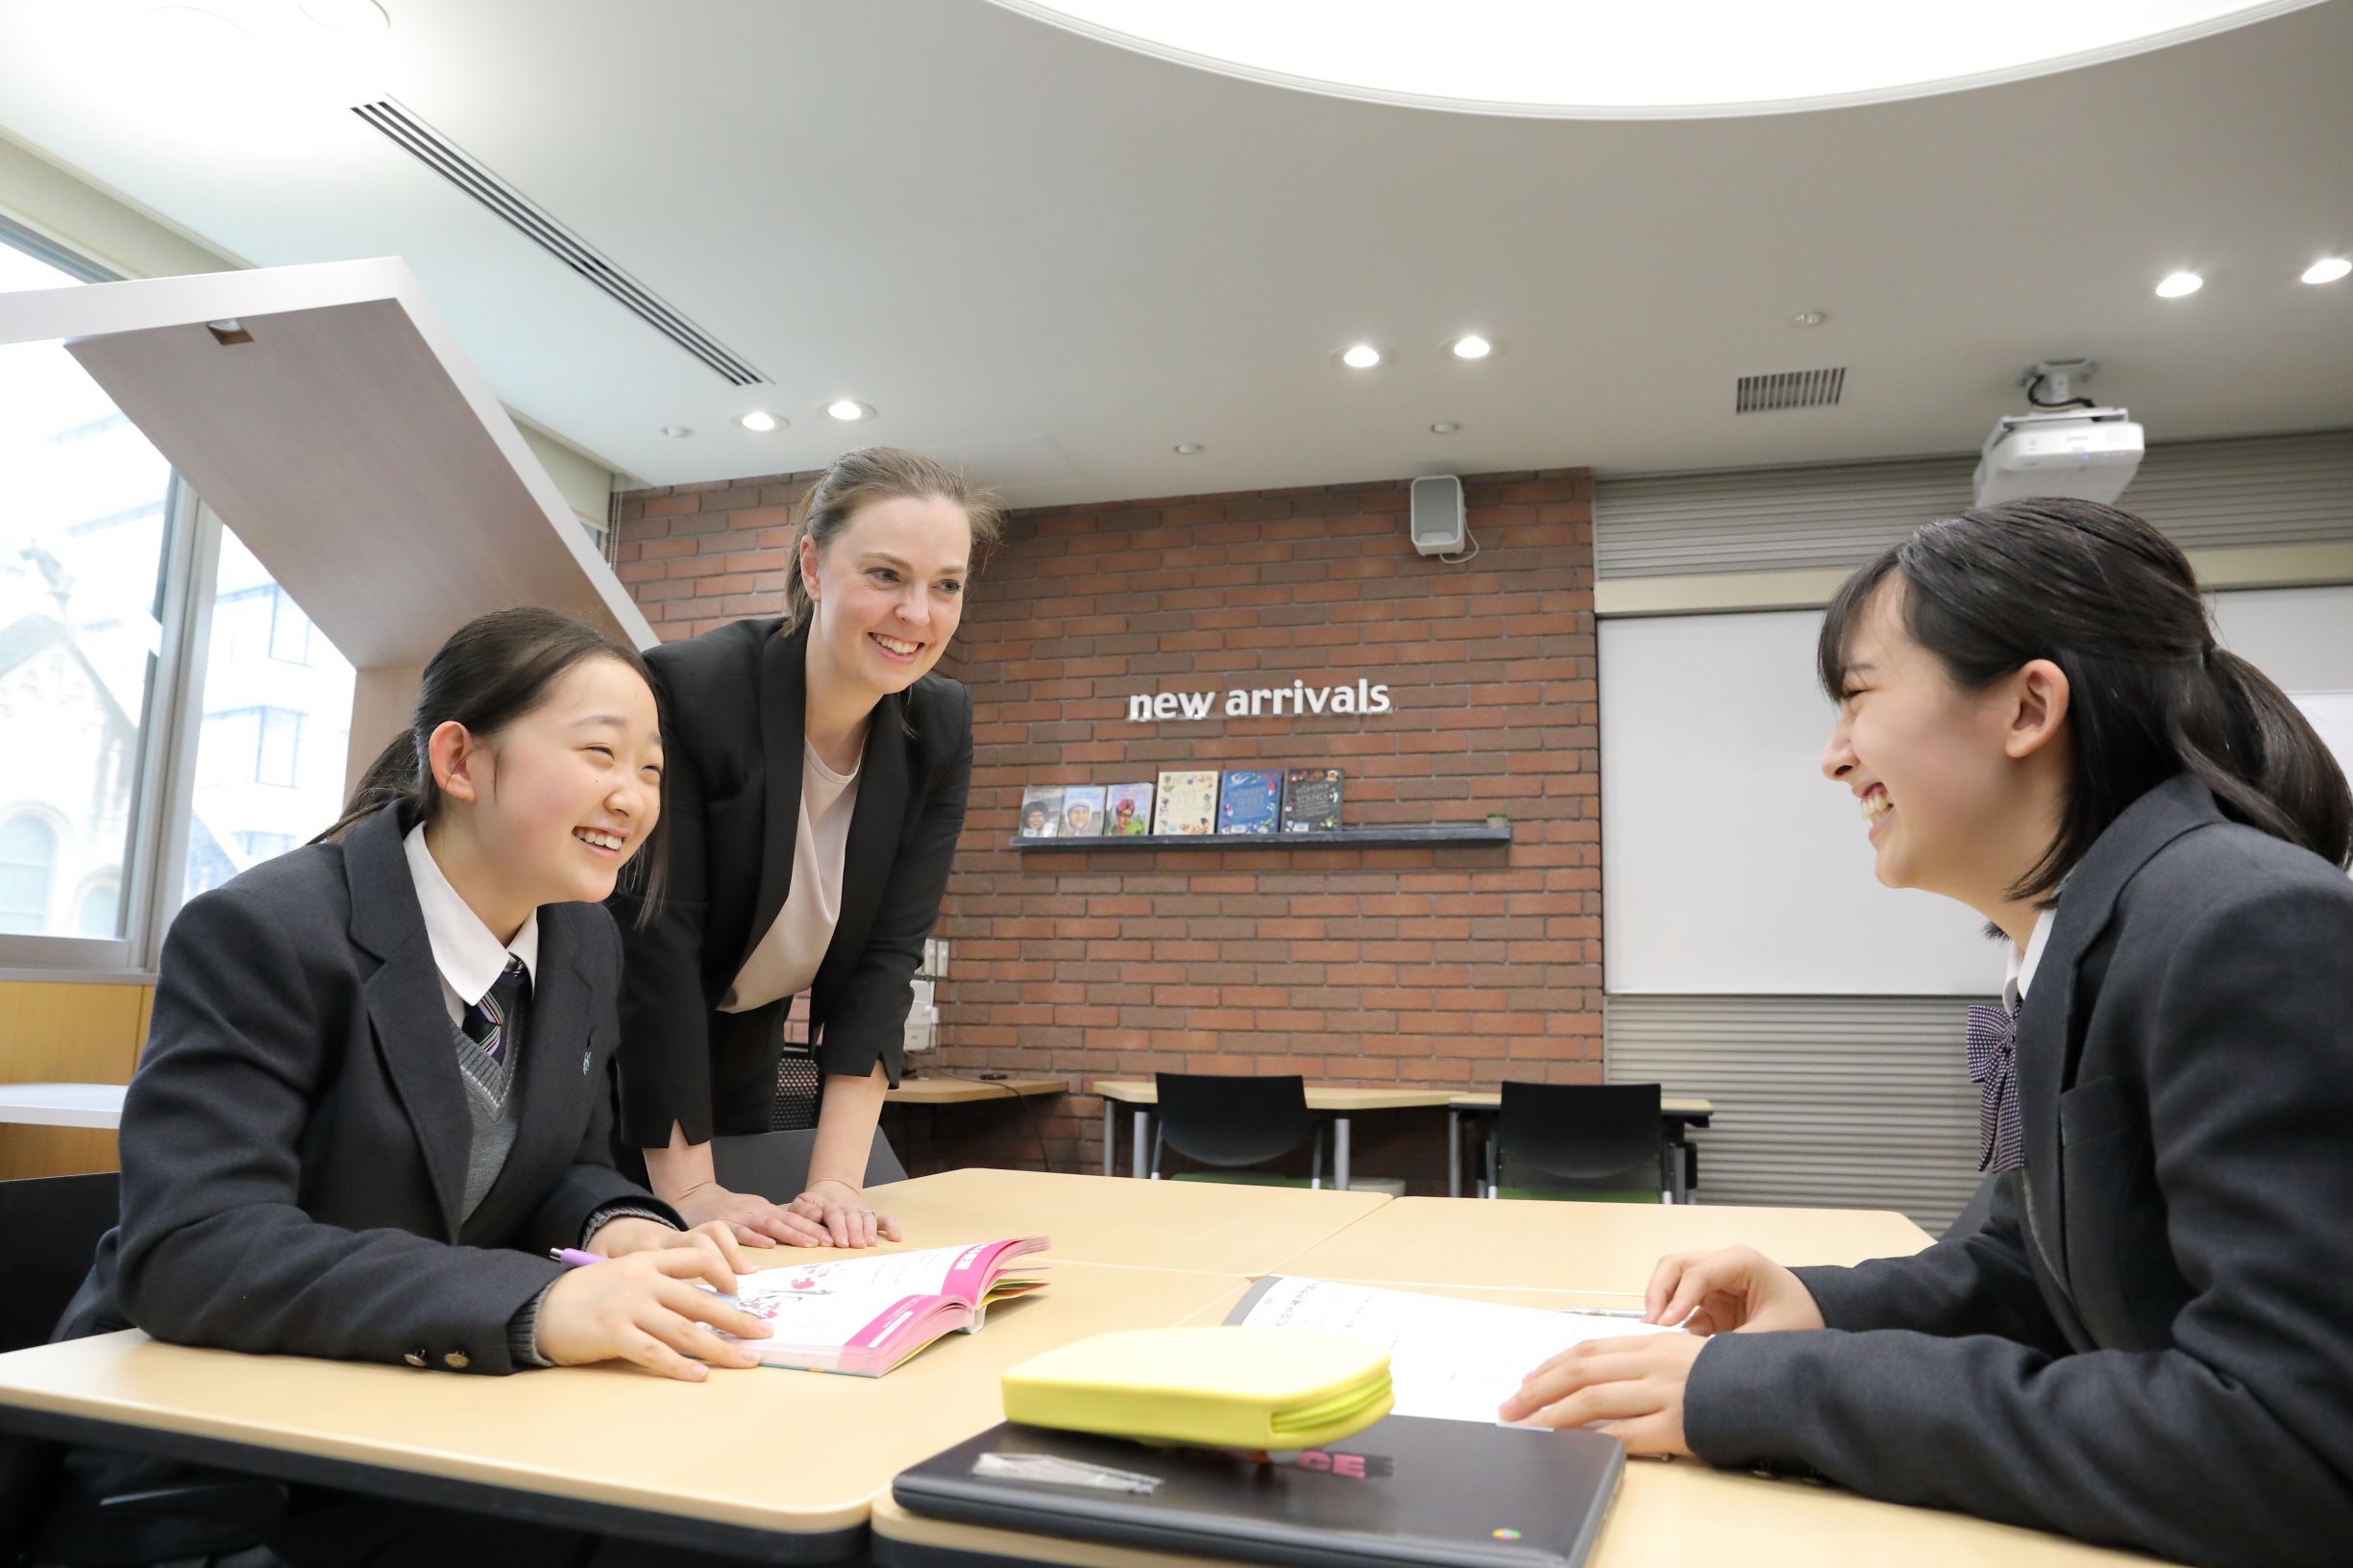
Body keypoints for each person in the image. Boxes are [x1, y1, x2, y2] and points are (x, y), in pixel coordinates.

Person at [1501, 499, 2353, 1568]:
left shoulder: (2242, 924)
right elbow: (2032, 1265)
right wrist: (1813, 1303)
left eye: (1855, 696)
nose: (1832, 756)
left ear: (2028, 706)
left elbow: (2291, 1443)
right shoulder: (2099, 928)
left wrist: (1772, 1392)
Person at [40, 607, 772, 1565]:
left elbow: (560, 1164)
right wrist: (535, 1305)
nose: (633, 800)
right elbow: (195, 1248)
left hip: (425, 1410)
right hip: (222, 1457)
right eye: (601, 754)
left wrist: (618, 1228)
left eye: (650, 771)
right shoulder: (266, 930)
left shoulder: (584, 936)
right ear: (462, 762)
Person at [612, 448, 999, 1251]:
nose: (917, 615)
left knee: (767, 1254)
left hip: (740, 1048)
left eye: (946, 585)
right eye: (886, 575)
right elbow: (659, 944)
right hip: (618, 1043)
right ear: (813, 568)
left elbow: (885, 960)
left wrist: (835, 1185)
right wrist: (692, 1191)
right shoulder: (691, 690)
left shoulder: (939, 726)